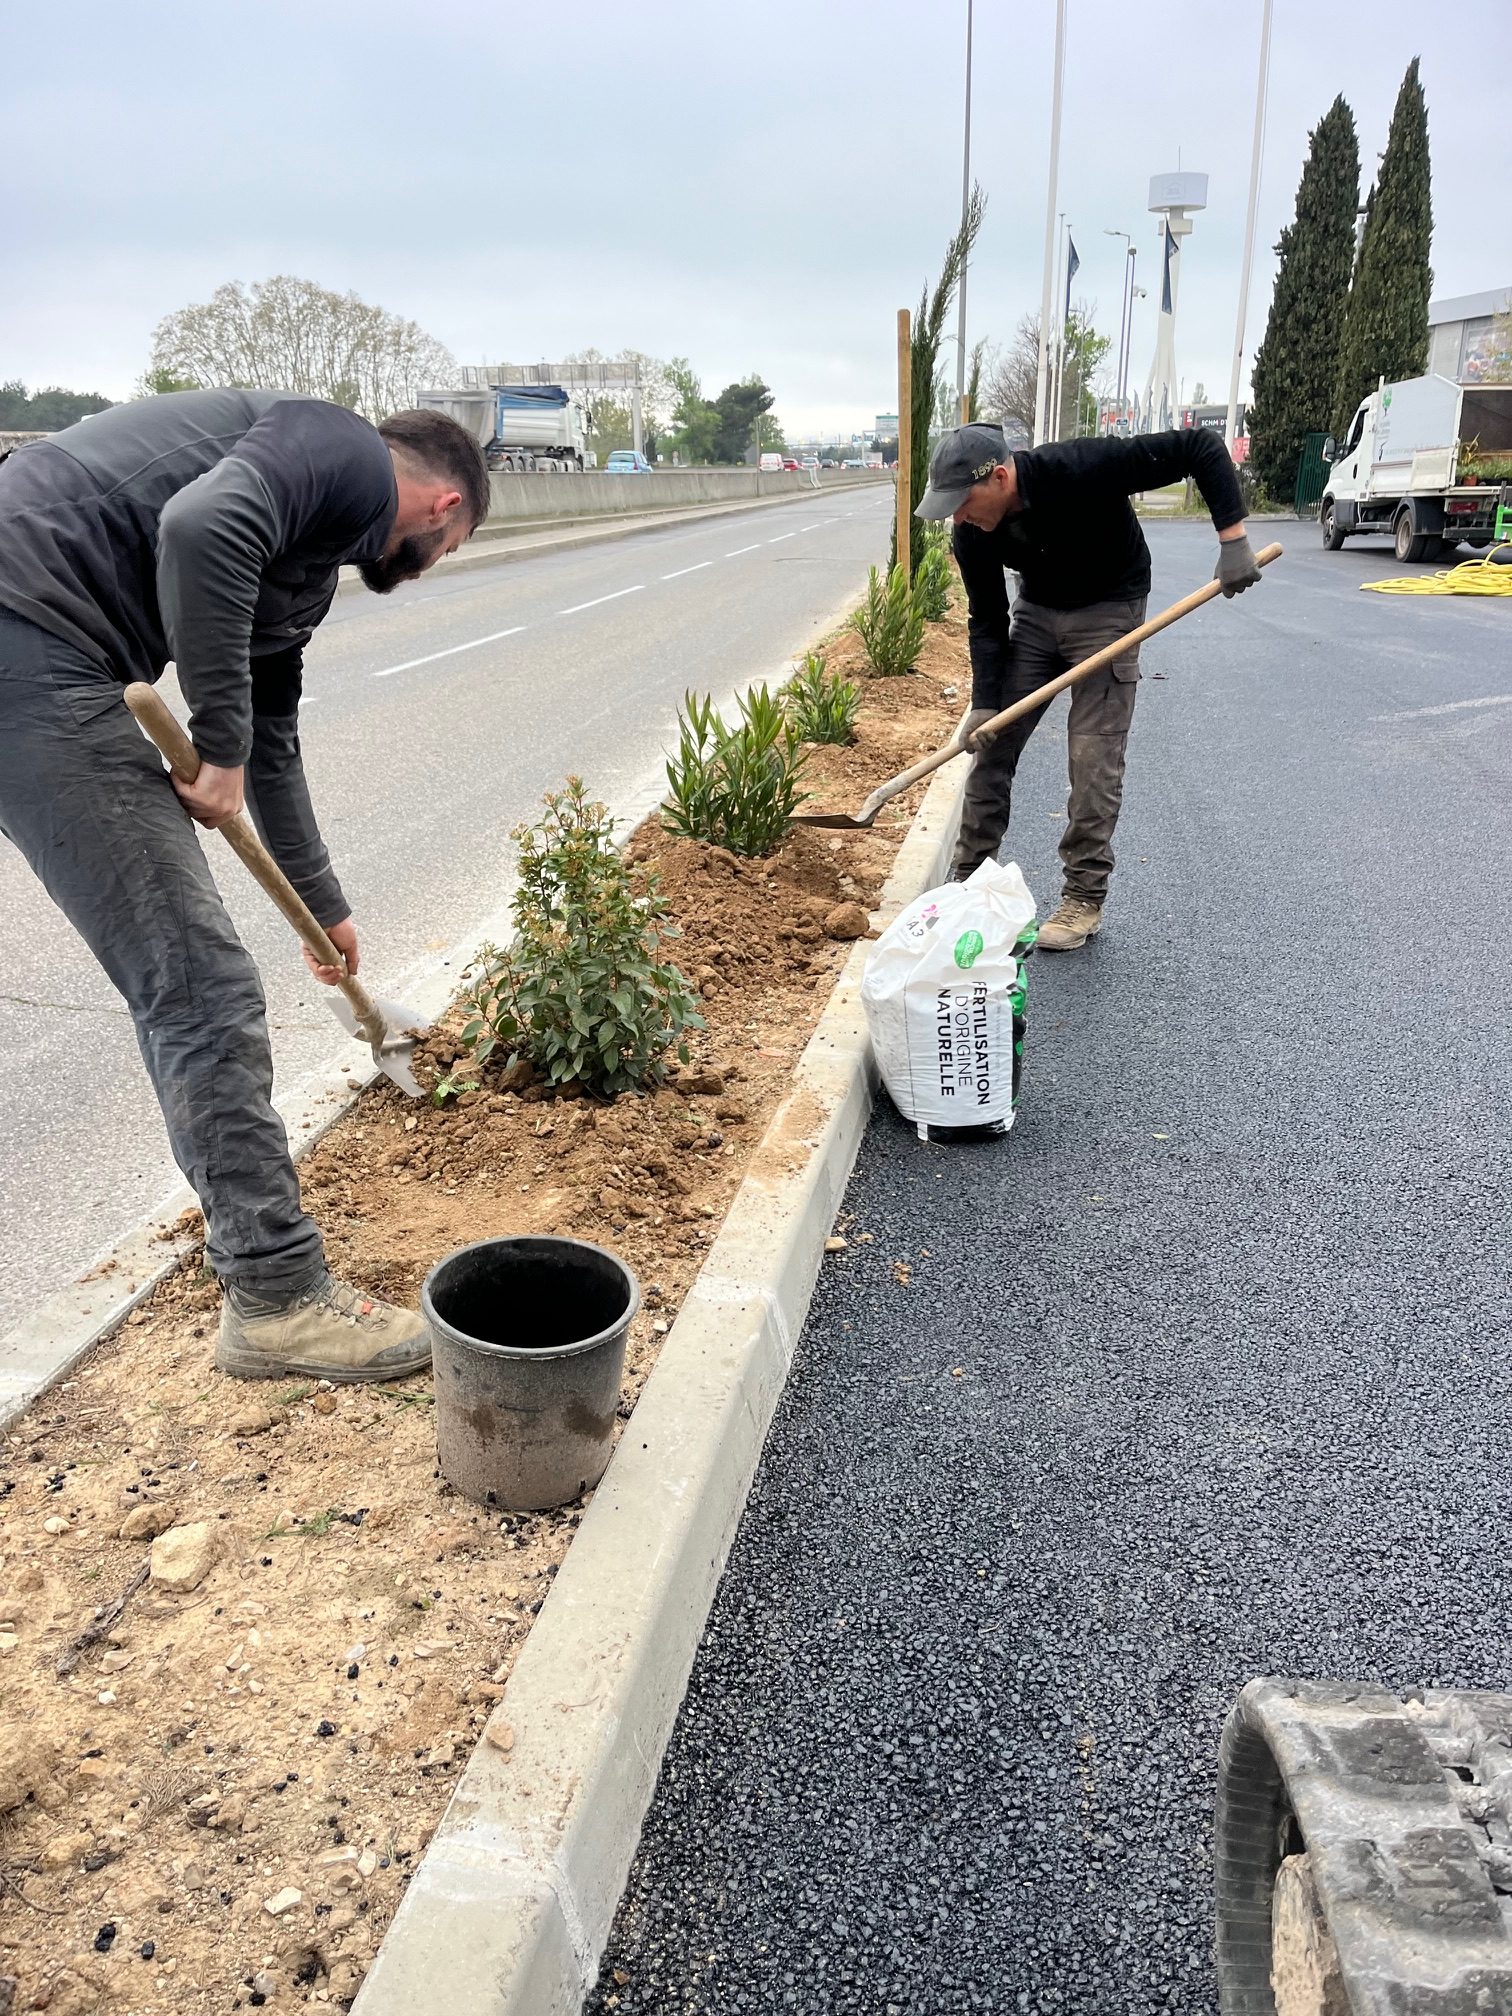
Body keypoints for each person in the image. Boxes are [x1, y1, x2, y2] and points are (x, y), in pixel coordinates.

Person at [0, 391, 491, 1381]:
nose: (434, 562)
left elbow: (272, 733)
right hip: (32, 637)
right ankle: (276, 1296)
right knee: (201, 989)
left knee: (193, 984)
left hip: (36, 641)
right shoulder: (345, 452)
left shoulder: (299, 551)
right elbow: (198, 527)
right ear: (444, 507)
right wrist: (214, 743)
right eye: (452, 546)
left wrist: (323, 907)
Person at [915, 422, 1261, 949]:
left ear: (1000, 477)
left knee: (1092, 756)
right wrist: (986, 702)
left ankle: (1083, 895)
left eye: (962, 502)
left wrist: (1232, 540)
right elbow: (986, 617)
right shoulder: (971, 531)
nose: (957, 517)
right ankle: (967, 881)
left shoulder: (1079, 467)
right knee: (992, 745)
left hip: (1110, 610)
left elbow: (1200, 447)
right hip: (1037, 614)